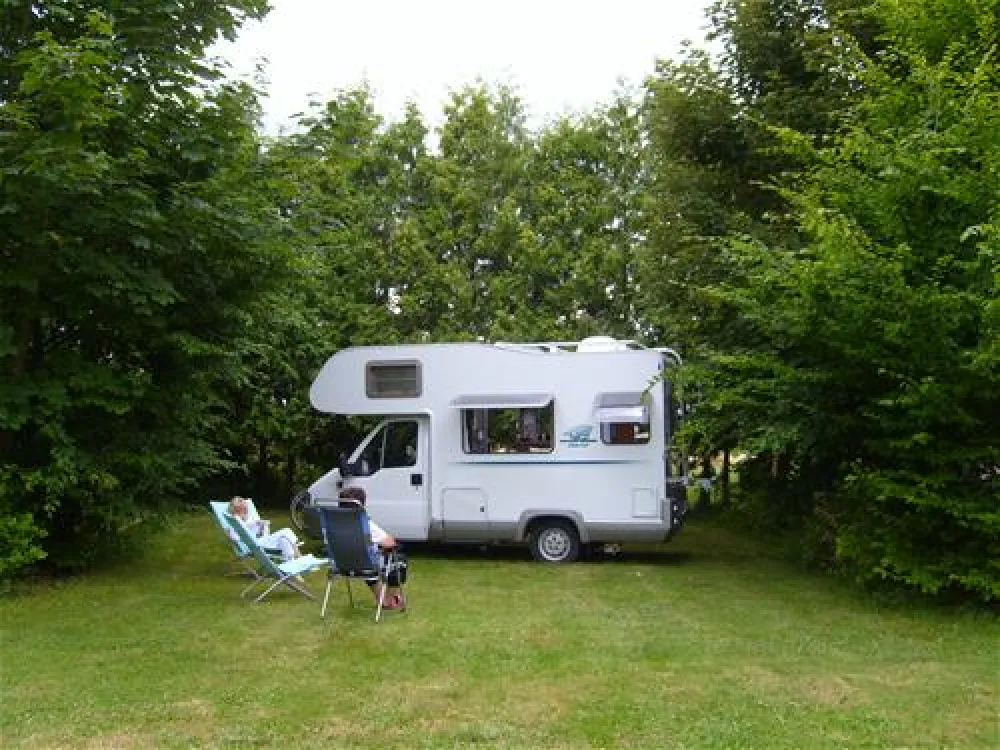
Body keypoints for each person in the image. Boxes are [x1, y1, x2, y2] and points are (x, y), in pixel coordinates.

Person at [337, 486, 406, 610]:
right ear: (361, 504)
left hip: (341, 565)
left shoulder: (333, 523)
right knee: (398, 558)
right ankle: (391, 599)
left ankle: (382, 598)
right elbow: (390, 542)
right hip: (365, 565)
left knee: (365, 557)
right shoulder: (364, 524)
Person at [227, 496, 300, 563]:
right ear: (237, 507)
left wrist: (262, 526)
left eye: (242, 501)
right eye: (240, 501)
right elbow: (235, 537)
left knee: (284, 540)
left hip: (260, 541)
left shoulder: (249, 518)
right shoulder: (235, 520)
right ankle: (298, 555)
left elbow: (260, 535)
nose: (244, 503)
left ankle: (290, 565)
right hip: (254, 546)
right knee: (286, 531)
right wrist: (232, 534)